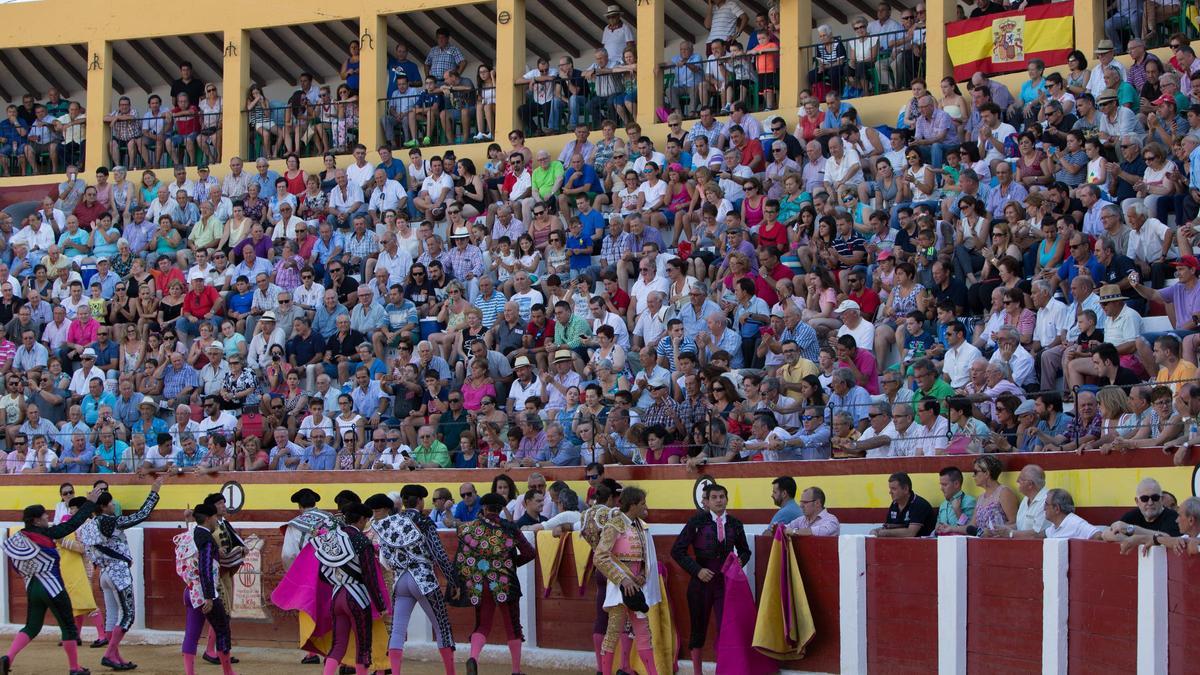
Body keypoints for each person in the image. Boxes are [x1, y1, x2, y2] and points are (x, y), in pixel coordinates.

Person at [1, 483, 104, 675]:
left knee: (31, 626)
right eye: (44, 516)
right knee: (68, 627)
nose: (47, 517)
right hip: (53, 587)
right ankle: (74, 668)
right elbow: (72, 524)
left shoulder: (20, 537)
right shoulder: (48, 534)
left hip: (33, 587)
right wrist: (89, 504)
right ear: (36, 520)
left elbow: (17, 566)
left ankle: (8, 657)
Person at [76, 477, 164, 671]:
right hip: (118, 573)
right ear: (105, 506)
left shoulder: (87, 526)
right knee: (128, 615)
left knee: (112, 615)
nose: (113, 504)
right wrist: (154, 492)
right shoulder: (110, 522)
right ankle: (108, 655)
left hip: (104, 573)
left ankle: (115, 656)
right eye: (110, 502)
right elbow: (141, 515)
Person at [374, 485, 457, 675]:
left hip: (401, 581)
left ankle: (394, 672)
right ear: (420, 501)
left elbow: (384, 558)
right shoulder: (424, 522)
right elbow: (440, 555)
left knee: (397, 630)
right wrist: (453, 580)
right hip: (424, 579)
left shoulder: (390, 523)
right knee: (442, 627)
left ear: (403, 502)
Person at [670, 483, 750, 675]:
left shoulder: (735, 524)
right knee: (698, 629)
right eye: (714, 497)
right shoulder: (696, 522)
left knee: (726, 628)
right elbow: (677, 550)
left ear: (727, 499)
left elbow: (745, 551)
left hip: (725, 584)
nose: (719, 500)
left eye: (722, 496)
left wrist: (738, 562)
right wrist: (697, 570)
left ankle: (723, 671)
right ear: (705, 502)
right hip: (701, 583)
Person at [454, 492, 535, 675]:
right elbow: (530, 553)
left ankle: (473, 658)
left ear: (483, 508)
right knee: (512, 625)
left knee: (483, 624)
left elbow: (462, 556)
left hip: (480, 583)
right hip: (505, 582)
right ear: (501, 509)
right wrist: (511, 563)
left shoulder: (470, 528)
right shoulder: (509, 527)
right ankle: (516, 670)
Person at [313, 502, 387, 675]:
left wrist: (339, 579)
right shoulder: (362, 541)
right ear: (361, 519)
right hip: (357, 597)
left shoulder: (331, 538)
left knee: (338, 645)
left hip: (336, 596)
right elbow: (370, 577)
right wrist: (380, 604)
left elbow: (322, 574)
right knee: (363, 647)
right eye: (366, 520)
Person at [594, 486, 660, 675]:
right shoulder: (615, 525)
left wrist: (641, 576)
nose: (645, 506)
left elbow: (644, 557)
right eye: (642, 503)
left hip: (637, 587)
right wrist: (623, 580)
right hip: (619, 587)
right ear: (632, 505)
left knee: (643, 632)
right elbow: (599, 557)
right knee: (613, 632)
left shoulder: (639, 525)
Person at [175, 502, 235, 675]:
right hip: (204, 593)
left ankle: (190, 673)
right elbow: (205, 567)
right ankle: (228, 672)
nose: (217, 520)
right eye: (215, 517)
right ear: (209, 518)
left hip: (190, 590)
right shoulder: (206, 539)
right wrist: (209, 596)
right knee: (222, 629)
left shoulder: (188, 536)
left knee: (191, 634)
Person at [280, 488, 336, 665]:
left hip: (308, 573)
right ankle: (333, 650)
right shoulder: (331, 519)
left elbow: (288, 554)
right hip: (333, 571)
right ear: (315, 503)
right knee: (331, 609)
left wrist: (293, 574)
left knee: (307, 609)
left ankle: (312, 653)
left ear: (299, 506)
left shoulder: (295, 524)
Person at [871, 472, 935, 537]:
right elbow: (888, 527)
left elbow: (910, 533)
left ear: (906, 489)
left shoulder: (919, 504)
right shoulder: (894, 504)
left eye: (893, 489)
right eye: (890, 489)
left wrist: (885, 532)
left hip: (922, 545)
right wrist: (876, 531)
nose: (890, 492)